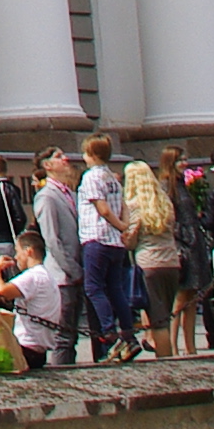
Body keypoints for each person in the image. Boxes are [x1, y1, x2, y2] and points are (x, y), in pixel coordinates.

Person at [77, 138, 135, 362]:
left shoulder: (91, 177)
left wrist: (119, 225)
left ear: (91, 154)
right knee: (115, 288)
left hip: (96, 237)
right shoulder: (113, 177)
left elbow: (102, 208)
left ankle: (109, 332)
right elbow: (123, 206)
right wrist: (125, 227)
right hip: (115, 243)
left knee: (93, 288)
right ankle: (128, 331)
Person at [129, 151, 187, 357]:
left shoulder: (135, 206)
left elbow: (132, 238)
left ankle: (165, 362)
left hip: (149, 264)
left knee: (158, 321)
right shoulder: (165, 203)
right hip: (171, 263)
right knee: (166, 316)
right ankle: (167, 356)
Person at [34, 151, 88, 366]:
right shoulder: (46, 196)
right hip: (62, 276)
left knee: (72, 336)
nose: (65, 159)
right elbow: (52, 239)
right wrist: (72, 269)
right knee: (62, 337)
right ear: (47, 165)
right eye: (58, 156)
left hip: (76, 271)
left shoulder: (70, 194)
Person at [0, 228, 66, 372]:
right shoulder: (48, 276)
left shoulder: (33, 276)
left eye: (18, 251)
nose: (16, 257)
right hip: (39, 349)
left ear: (29, 251)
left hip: (26, 347)